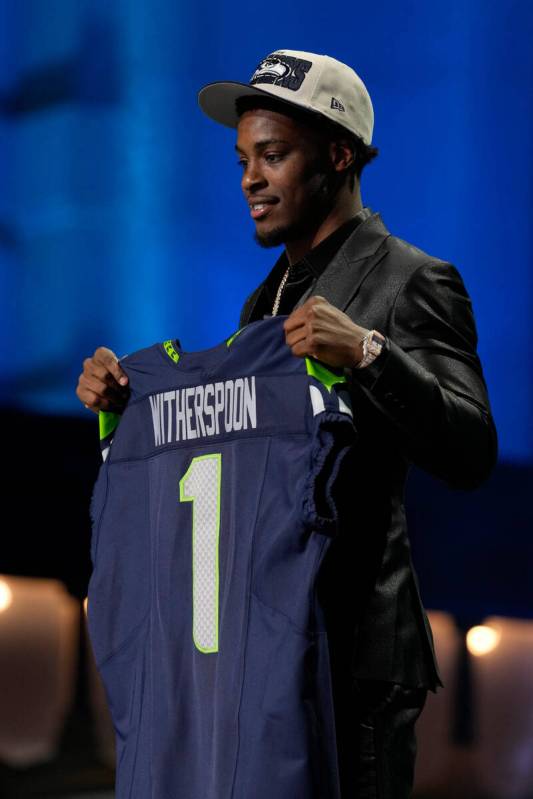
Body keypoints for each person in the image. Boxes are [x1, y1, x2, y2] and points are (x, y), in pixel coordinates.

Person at [76, 49, 498, 798]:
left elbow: (469, 450)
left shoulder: (413, 279)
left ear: (338, 155)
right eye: (243, 158)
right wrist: (126, 404)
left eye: (272, 155)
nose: (249, 179)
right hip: (260, 651)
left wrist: (368, 352)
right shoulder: (262, 300)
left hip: (355, 657)